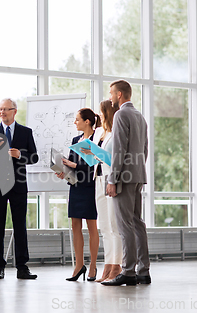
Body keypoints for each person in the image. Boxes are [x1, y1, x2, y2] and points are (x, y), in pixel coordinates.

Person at [0, 98, 39, 279]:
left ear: (14, 111)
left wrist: (20, 154)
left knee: (20, 226)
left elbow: (34, 157)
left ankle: (22, 267)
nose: (2, 112)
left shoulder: (25, 132)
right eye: (0, 109)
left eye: (6, 109)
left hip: (18, 186)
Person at [102, 80, 151, 286]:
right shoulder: (140, 116)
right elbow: (145, 149)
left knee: (125, 225)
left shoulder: (121, 114)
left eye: (112, 93)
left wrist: (113, 179)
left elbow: (119, 149)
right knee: (137, 222)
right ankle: (143, 270)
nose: (111, 96)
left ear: (120, 94)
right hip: (138, 175)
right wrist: (137, 171)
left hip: (123, 177)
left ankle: (128, 271)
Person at [57, 108, 101, 282]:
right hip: (76, 186)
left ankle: (93, 265)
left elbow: (95, 166)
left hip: (90, 187)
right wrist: (64, 171)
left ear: (87, 121)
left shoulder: (97, 139)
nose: (75, 122)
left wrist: (74, 166)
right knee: (75, 225)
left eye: (77, 120)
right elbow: (71, 164)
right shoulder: (76, 140)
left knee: (92, 226)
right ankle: (79, 265)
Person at [81, 100, 122, 282]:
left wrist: (97, 153)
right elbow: (96, 158)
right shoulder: (99, 132)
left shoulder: (116, 133)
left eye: (101, 112)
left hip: (110, 179)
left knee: (114, 226)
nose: (99, 115)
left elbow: (116, 160)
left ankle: (116, 266)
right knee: (104, 227)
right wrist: (89, 153)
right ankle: (107, 267)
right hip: (97, 178)